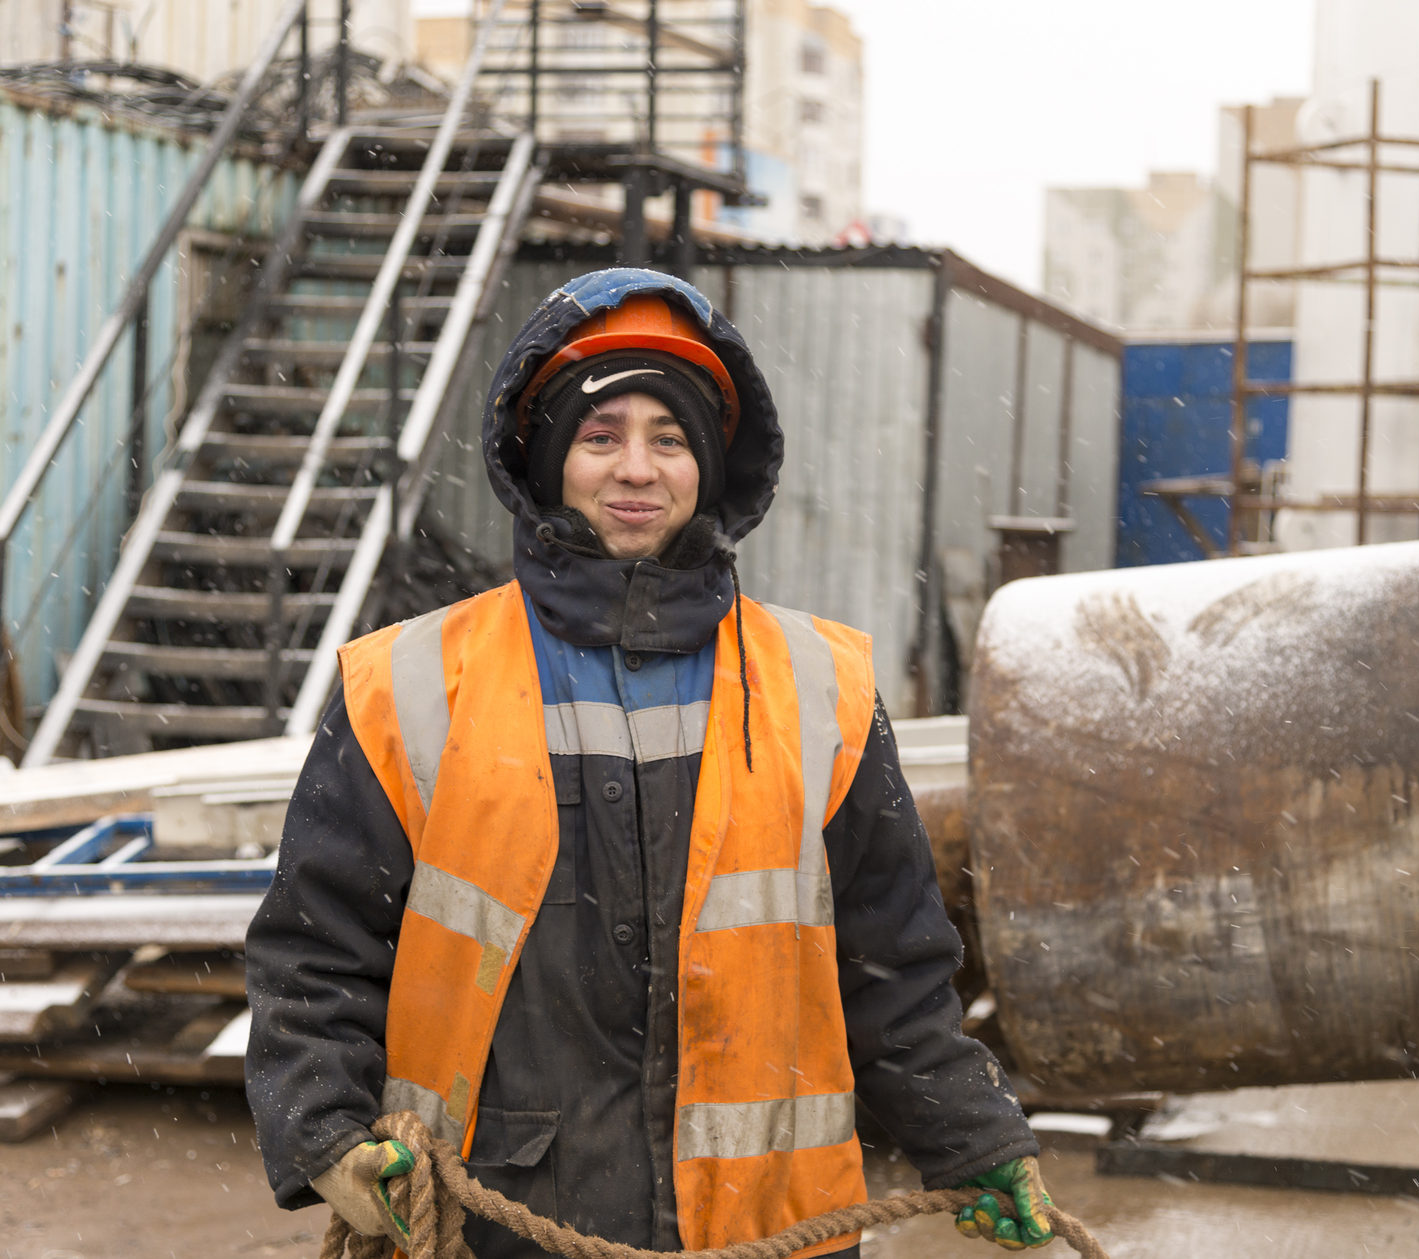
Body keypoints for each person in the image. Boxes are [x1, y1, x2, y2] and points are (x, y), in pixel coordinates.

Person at [244, 267, 1054, 1259]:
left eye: (668, 438)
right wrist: (324, 1128)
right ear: (549, 460)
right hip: (495, 1227)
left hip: (769, 1227)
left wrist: (974, 1135)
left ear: (707, 466)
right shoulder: (407, 686)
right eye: (600, 435)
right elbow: (316, 949)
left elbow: (892, 966)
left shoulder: (821, 687)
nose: (636, 467)